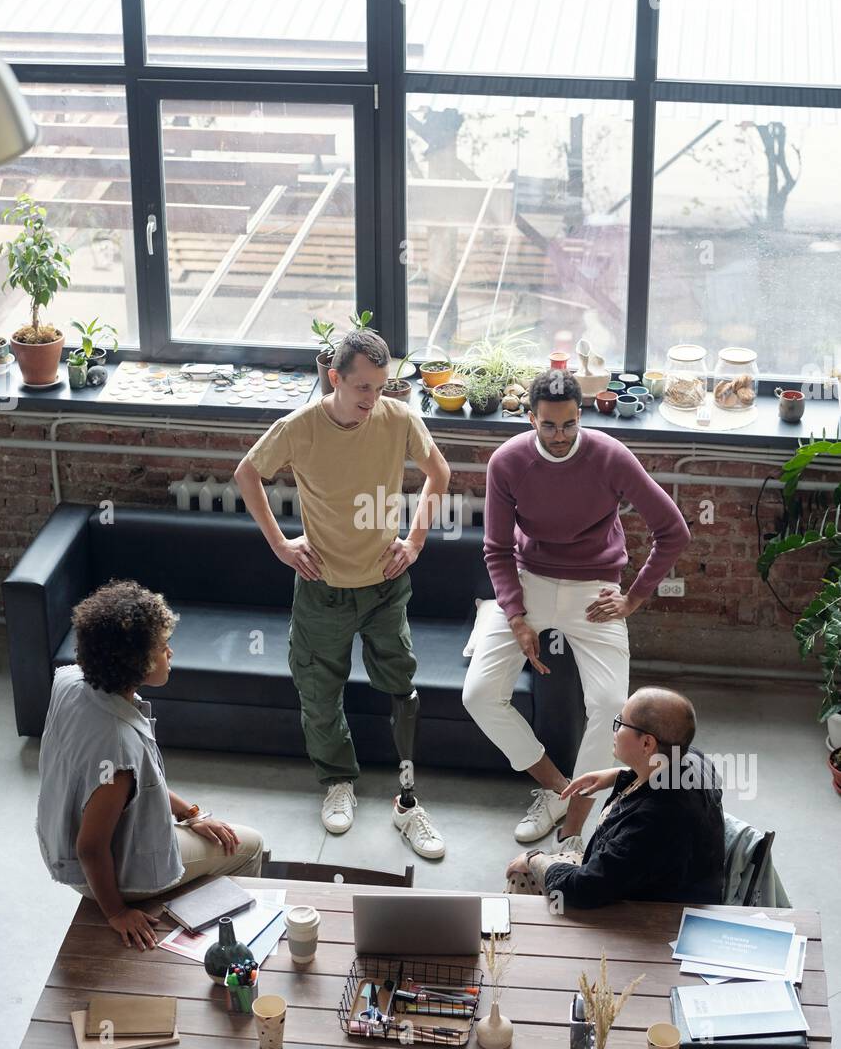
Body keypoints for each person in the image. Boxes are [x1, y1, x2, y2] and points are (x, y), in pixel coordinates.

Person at [234, 327, 452, 858]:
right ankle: (337, 782)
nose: (371, 400)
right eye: (361, 389)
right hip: (322, 588)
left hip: (385, 586)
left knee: (402, 687)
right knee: (318, 692)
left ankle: (407, 801)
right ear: (334, 378)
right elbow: (246, 474)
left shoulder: (398, 418)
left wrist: (416, 540)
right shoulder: (300, 428)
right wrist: (282, 546)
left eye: (379, 388)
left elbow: (439, 474)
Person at [463, 370, 690, 845]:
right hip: (529, 582)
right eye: (549, 425)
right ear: (531, 419)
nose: (560, 436)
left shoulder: (609, 455)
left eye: (569, 424)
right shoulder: (507, 462)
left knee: (611, 706)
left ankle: (573, 829)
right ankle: (557, 789)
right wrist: (516, 616)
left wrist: (634, 597)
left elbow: (673, 531)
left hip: (595, 589)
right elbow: (497, 550)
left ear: (580, 416)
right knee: (479, 695)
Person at [36, 580, 266, 951]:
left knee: (213, 833)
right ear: (136, 662)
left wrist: (192, 813)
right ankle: (225, 947)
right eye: (162, 647)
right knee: (249, 845)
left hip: (55, 844)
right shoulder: (119, 749)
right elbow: (92, 847)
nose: (170, 652)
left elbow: (146, 786)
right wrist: (116, 913)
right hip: (107, 874)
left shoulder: (69, 680)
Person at [505, 688, 725, 908]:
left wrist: (533, 858)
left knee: (521, 874)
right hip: (664, 883)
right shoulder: (692, 759)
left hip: (651, 915)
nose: (615, 729)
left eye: (621, 723)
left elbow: (582, 888)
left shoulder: (652, 820)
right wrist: (616, 775)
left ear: (647, 744)